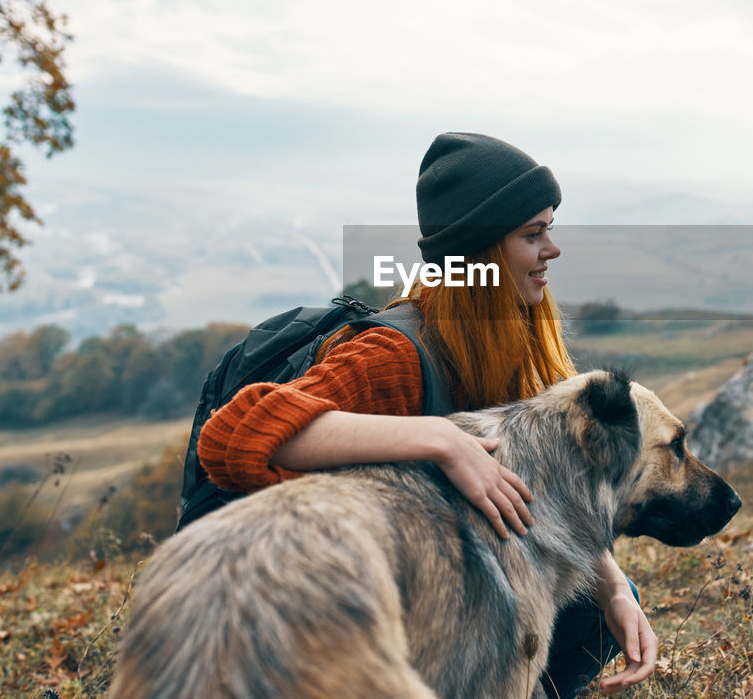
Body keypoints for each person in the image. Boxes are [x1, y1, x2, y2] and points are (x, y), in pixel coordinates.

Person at [197, 132, 658, 698]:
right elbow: (234, 434)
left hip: (445, 587)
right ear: (481, 252)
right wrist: (439, 438)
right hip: (333, 612)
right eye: (532, 234)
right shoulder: (393, 357)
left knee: (600, 604)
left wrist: (611, 584)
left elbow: (554, 495)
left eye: (549, 230)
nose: (551, 250)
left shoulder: (516, 343)